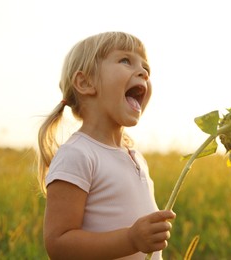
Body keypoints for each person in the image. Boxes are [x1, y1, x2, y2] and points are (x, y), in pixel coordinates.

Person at [37, 31, 176, 260]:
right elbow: (58, 244)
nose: (143, 72)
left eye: (146, 69)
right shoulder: (77, 154)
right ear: (85, 82)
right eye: (125, 60)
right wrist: (131, 239)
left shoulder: (134, 155)